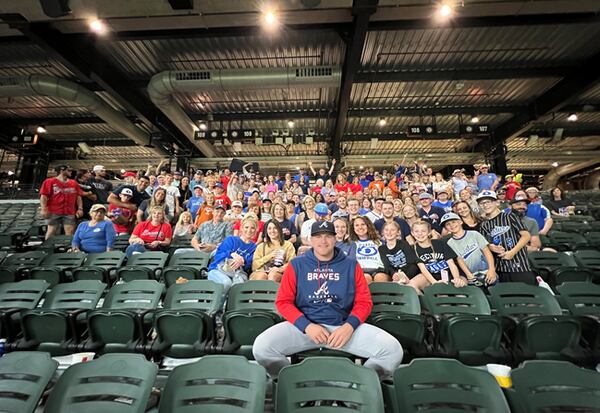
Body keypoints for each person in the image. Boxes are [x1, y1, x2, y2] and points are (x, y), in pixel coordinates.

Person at [252, 220, 403, 379]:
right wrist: (307, 326)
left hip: (342, 328)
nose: (323, 241)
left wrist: (349, 326)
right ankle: (292, 381)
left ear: (335, 238)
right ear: (310, 239)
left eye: (327, 236)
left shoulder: (351, 265)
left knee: (392, 350)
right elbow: (283, 302)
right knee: (262, 348)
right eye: (318, 236)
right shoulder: (296, 264)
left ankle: (359, 384)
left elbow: (364, 302)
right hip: (305, 328)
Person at [477, 190, 535, 284]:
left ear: (496, 202)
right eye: (482, 203)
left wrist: (512, 252)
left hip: (520, 266)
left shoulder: (510, 216)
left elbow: (526, 236)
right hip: (501, 269)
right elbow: (485, 246)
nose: (485, 205)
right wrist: (490, 246)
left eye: (488, 202)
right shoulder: (484, 225)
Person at [207, 215, 258, 296]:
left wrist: (242, 260)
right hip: (218, 269)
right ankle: (218, 308)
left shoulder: (254, 247)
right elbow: (218, 255)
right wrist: (232, 254)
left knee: (237, 286)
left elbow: (249, 264)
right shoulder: (231, 239)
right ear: (241, 228)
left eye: (252, 228)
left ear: (256, 230)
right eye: (246, 227)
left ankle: (229, 307)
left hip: (237, 273)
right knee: (226, 283)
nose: (249, 230)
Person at [441, 212, 497, 286]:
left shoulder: (474, 234)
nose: (452, 225)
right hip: (473, 275)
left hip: (487, 271)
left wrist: (492, 269)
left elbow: (486, 251)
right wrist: (469, 275)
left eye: (453, 222)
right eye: (448, 224)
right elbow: (459, 260)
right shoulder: (450, 243)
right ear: (446, 228)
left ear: (460, 222)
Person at [409, 220, 464, 292]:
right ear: (412, 233)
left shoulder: (439, 243)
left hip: (448, 274)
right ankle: (425, 301)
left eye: (423, 231)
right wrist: (434, 282)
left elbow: (451, 263)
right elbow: (423, 269)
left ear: (429, 232)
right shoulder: (413, 249)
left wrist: (456, 278)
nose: (420, 234)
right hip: (431, 277)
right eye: (416, 231)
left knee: (460, 286)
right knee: (411, 285)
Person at [40, 165, 83, 239]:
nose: (71, 172)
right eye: (68, 170)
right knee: (51, 231)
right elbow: (44, 196)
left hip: (69, 211)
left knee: (70, 232)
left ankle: (69, 249)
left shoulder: (74, 183)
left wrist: (80, 208)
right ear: (61, 171)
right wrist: (43, 209)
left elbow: (78, 196)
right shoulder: (49, 181)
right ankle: (47, 248)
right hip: (54, 211)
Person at [349, 216, 388, 283]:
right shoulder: (351, 244)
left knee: (380, 277)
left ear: (368, 226)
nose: (360, 227)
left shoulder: (379, 242)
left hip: (379, 270)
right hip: (361, 271)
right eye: (357, 225)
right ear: (353, 229)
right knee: (365, 277)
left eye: (363, 224)